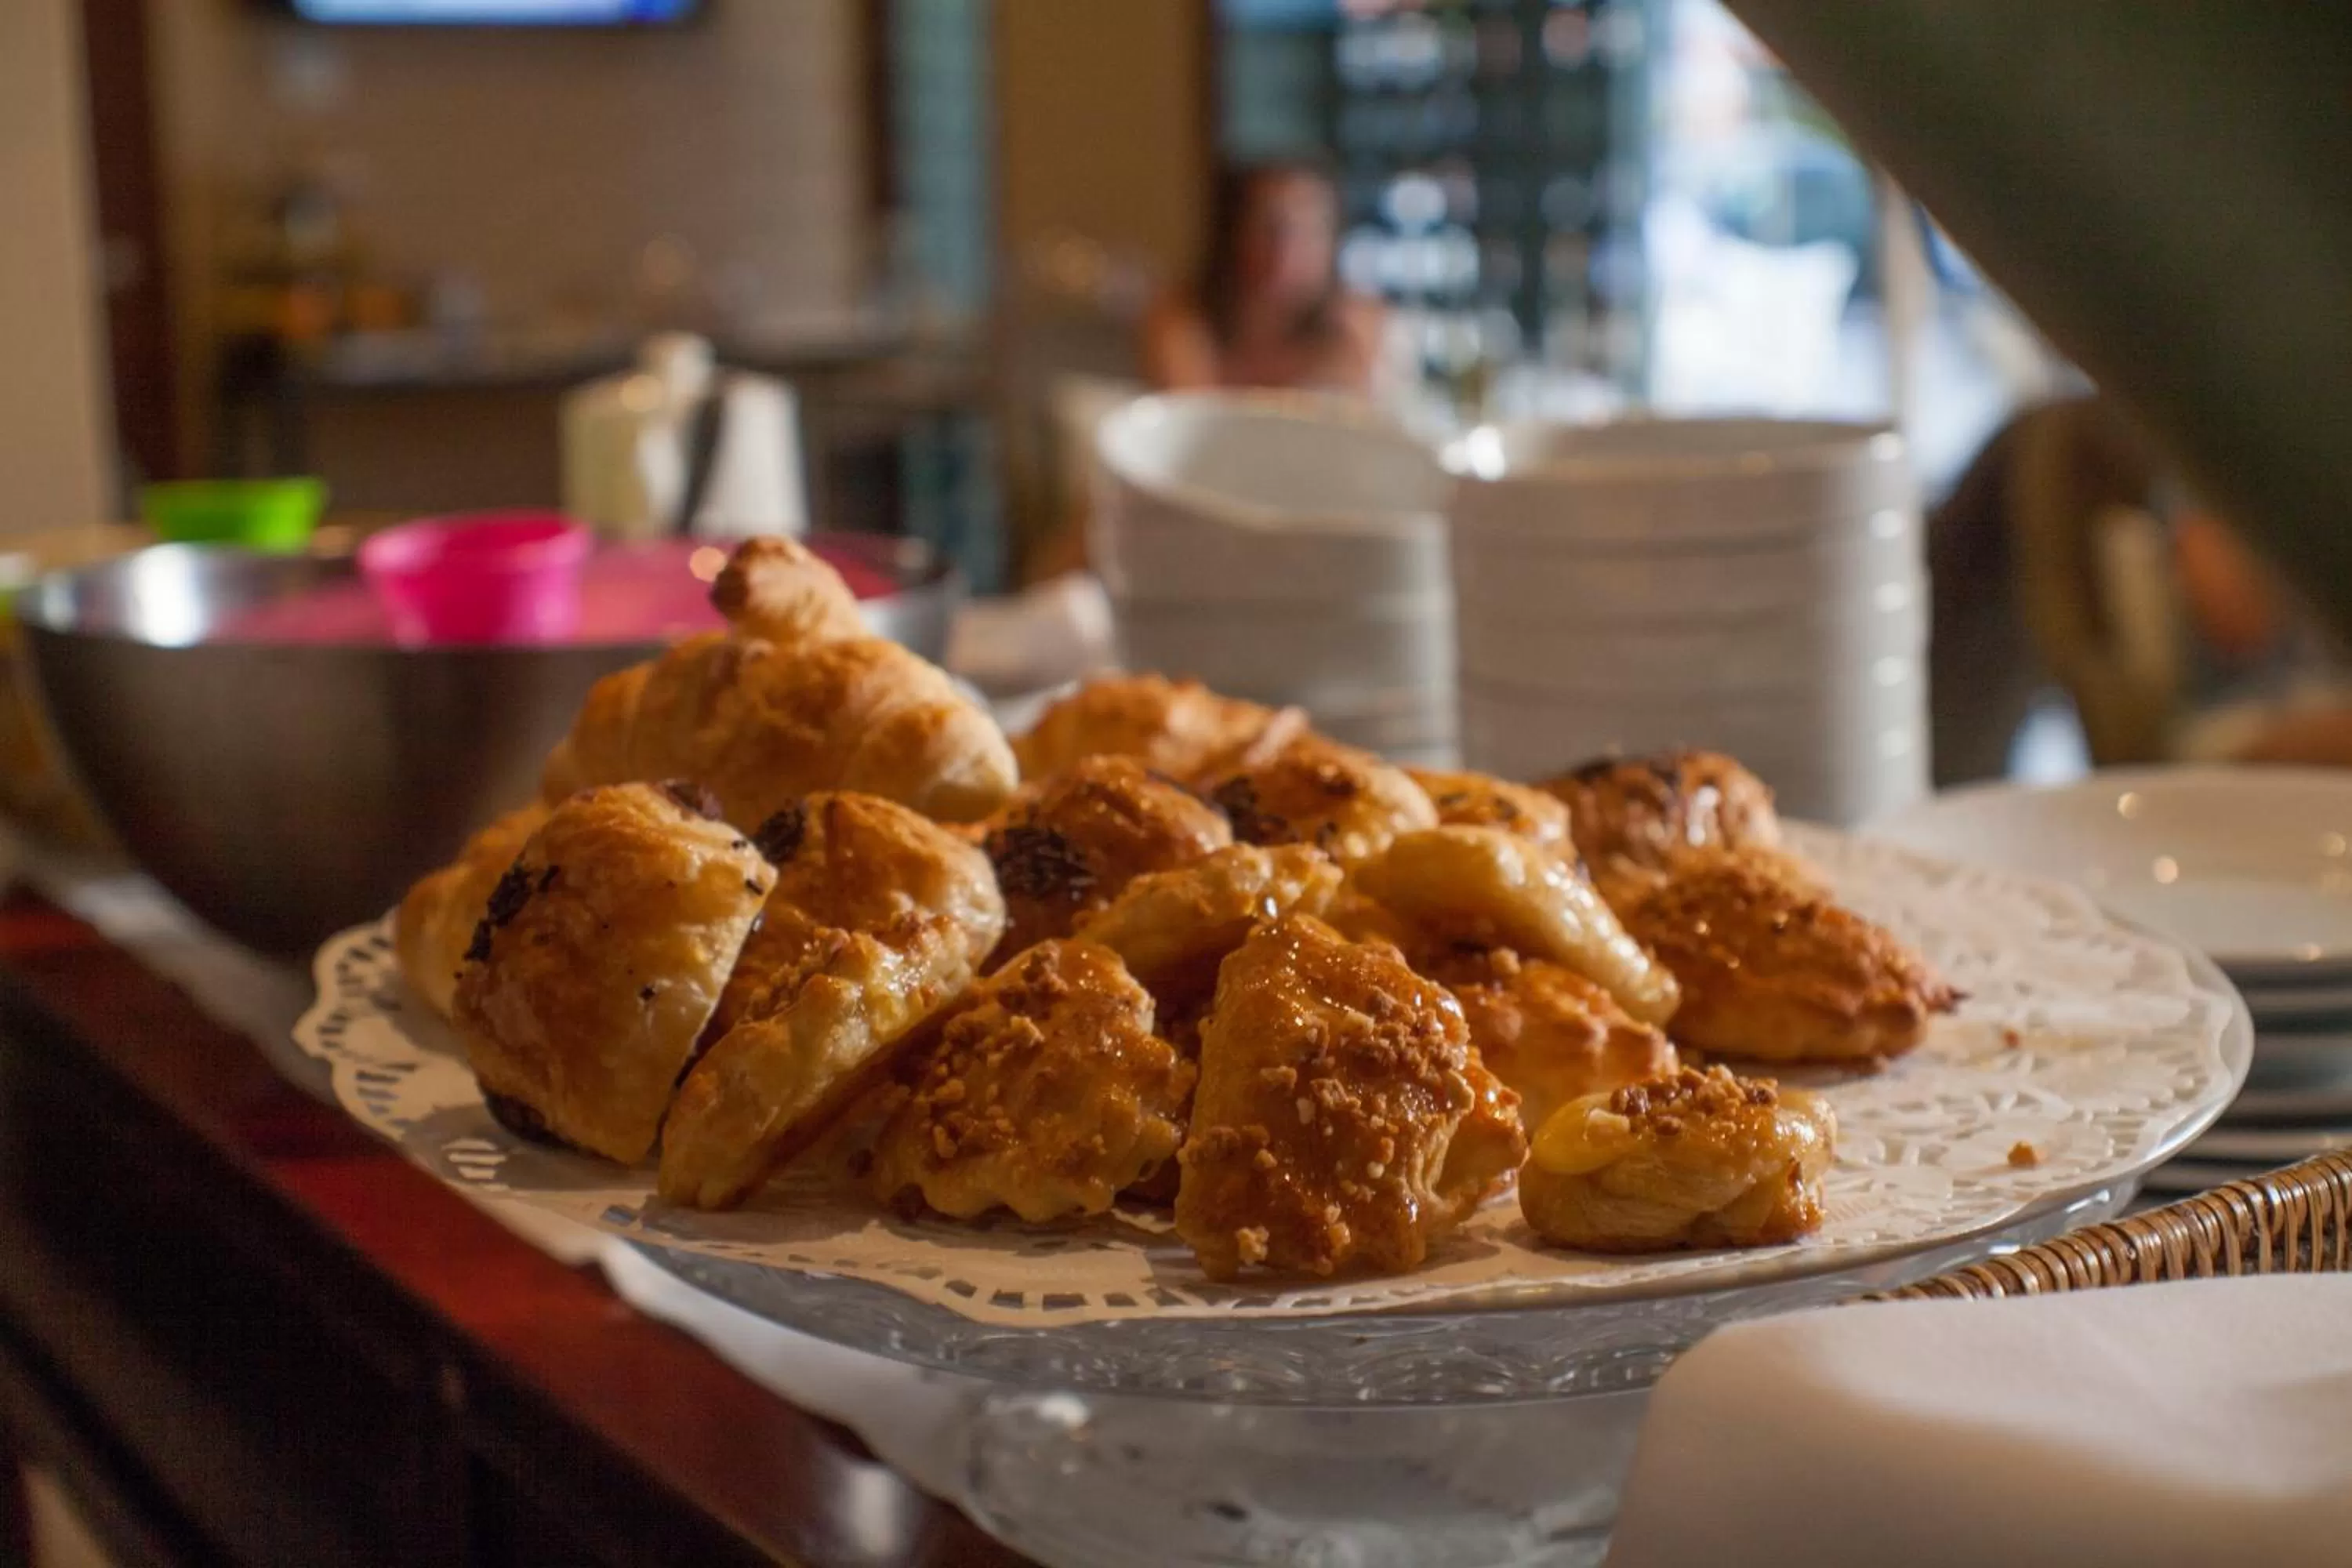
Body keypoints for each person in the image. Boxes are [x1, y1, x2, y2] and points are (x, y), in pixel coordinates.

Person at [1140, 160, 1392, 397]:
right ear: (1234, 232)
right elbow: (1193, 424)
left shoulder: (1360, 328)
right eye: (1269, 228)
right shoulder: (1183, 320)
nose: (1286, 250)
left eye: (1309, 230)